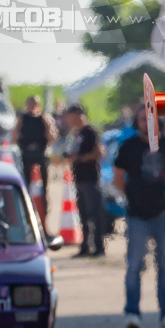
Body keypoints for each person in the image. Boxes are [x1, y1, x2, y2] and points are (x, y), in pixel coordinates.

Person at [113, 106, 165, 328]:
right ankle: (132, 312)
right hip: (136, 215)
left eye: (150, 118)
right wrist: (132, 196)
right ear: (137, 122)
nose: (147, 123)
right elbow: (118, 177)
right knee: (135, 265)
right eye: (142, 119)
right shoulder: (128, 146)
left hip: (163, 213)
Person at [63, 104, 106, 257]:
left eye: (70, 116)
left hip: (90, 179)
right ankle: (85, 246)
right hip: (79, 178)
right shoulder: (76, 134)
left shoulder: (90, 132)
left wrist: (81, 158)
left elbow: (100, 152)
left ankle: (99, 247)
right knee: (83, 214)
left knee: (94, 213)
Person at [11, 96, 57, 218]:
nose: (32, 107)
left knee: (44, 186)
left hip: (40, 155)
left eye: (34, 105)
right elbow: (13, 138)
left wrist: (48, 125)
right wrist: (18, 125)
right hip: (26, 155)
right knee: (26, 184)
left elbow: (52, 138)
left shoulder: (43, 119)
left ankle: (44, 211)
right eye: (30, 104)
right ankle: (26, 209)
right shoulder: (22, 119)